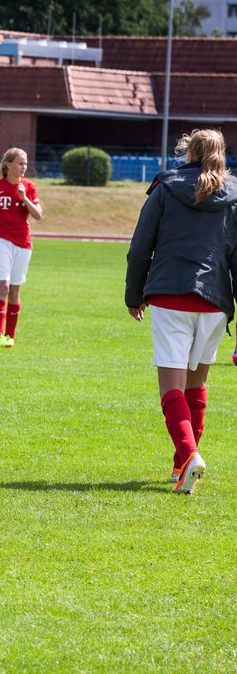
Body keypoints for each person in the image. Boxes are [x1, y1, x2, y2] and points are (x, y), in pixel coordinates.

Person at [126, 128, 237, 495]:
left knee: (170, 387)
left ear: (188, 152)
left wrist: (134, 294)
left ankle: (189, 455)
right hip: (216, 299)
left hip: (171, 294)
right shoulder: (234, 194)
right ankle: (180, 467)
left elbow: (142, 244)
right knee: (197, 385)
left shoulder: (165, 185)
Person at [0, 148, 43, 347]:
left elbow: (38, 215)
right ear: (8, 165)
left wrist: (24, 198)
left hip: (23, 242)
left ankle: (10, 336)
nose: (24, 167)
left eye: (25, 164)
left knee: (15, 289)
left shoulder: (29, 187)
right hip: (0, 240)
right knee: (3, 286)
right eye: (20, 163)